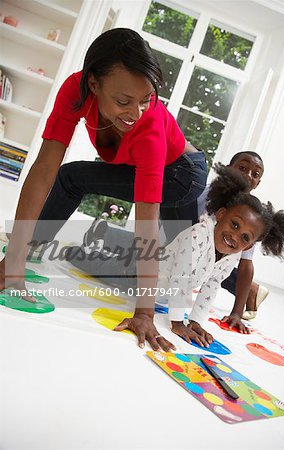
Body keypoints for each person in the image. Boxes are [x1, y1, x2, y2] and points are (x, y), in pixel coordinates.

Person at [0, 28, 207, 351]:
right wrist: (11, 263)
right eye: (124, 101)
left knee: (182, 247)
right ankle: (21, 254)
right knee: (178, 250)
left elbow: (145, 225)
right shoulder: (75, 90)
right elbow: (44, 168)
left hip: (184, 174)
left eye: (146, 100)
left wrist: (144, 312)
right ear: (94, 84)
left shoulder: (148, 128)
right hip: (166, 167)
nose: (136, 113)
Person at [65, 164, 284, 346]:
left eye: (246, 238)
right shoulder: (199, 235)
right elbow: (180, 280)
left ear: (249, 246)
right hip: (140, 275)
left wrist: (196, 321)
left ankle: (95, 243)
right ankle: (75, 252)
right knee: (102, 266)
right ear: (221, 214)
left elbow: (212, 285)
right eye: (235, 225)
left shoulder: (232, 256)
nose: (235, 237)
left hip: (161, 292)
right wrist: (177, 323)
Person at [198, 151, 268, 329]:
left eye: (255, 174)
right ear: (229, 169)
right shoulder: (206, 195)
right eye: (242, 168)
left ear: (257, 184)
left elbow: (246, 263)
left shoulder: (250, 213)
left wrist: (236, 312)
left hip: (207, 259)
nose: (248, 175)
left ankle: (251, 291)